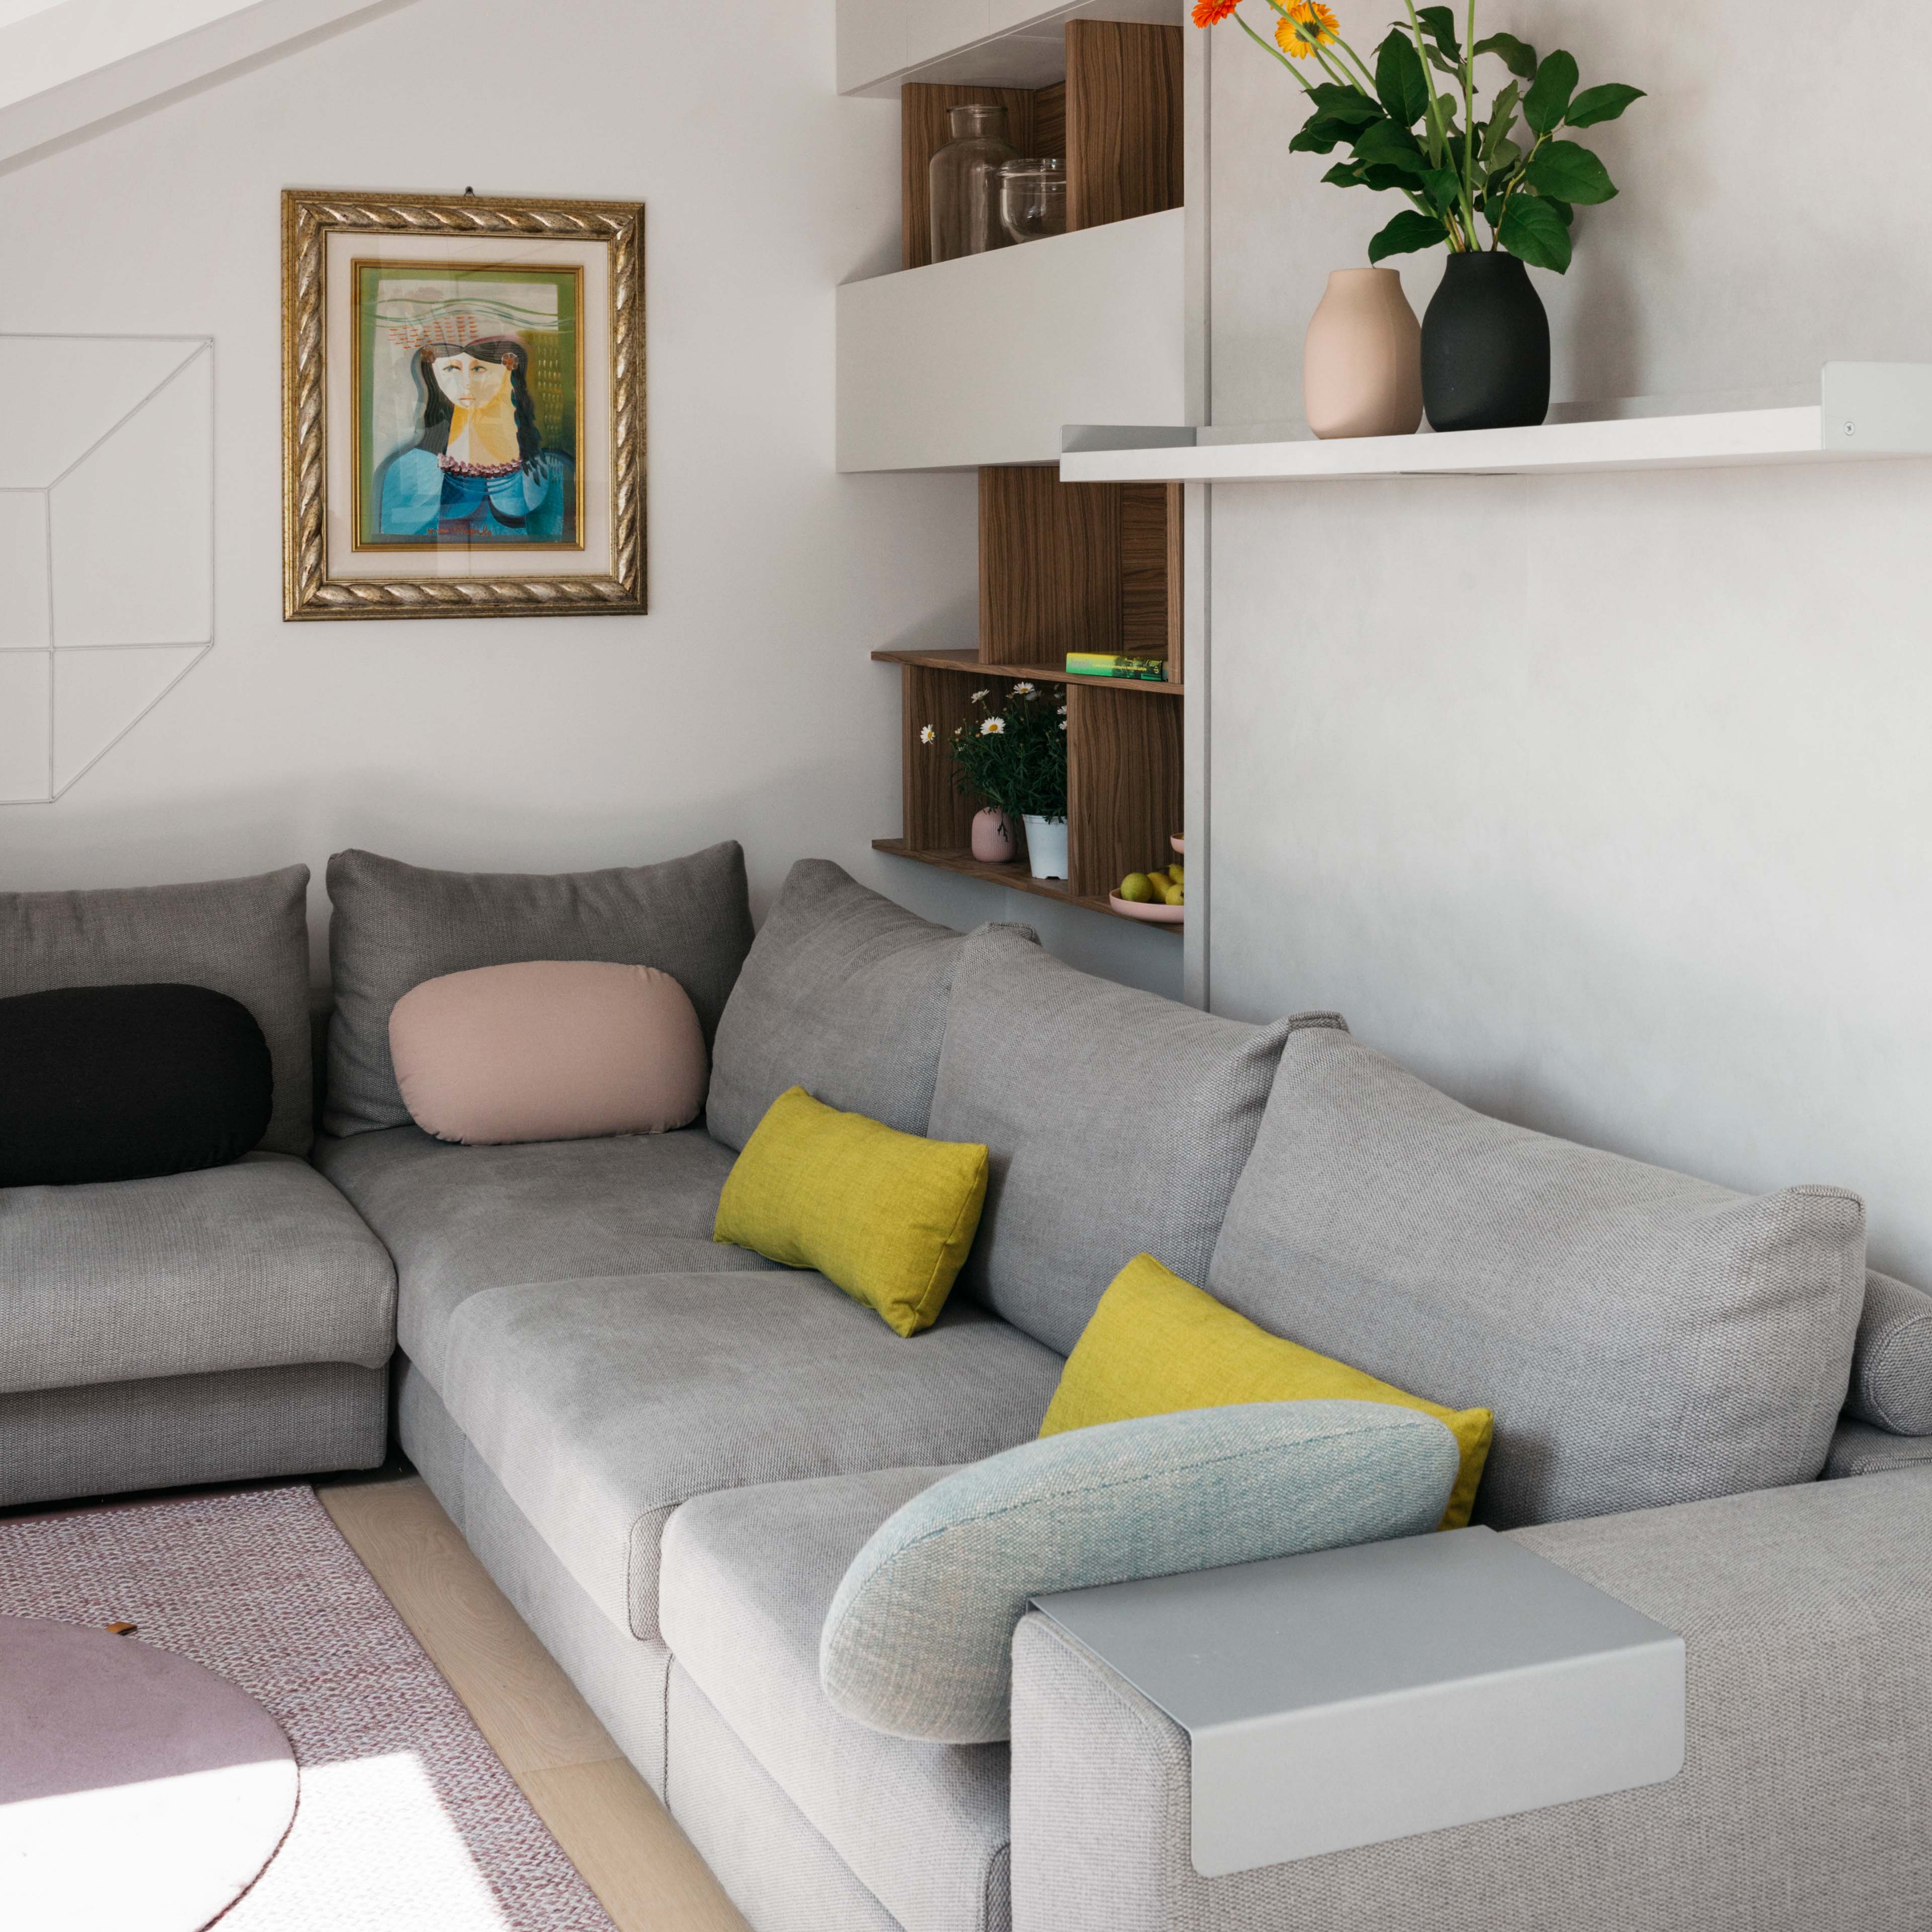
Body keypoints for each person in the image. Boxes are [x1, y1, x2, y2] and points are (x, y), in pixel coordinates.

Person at [377, 335, 573, 542]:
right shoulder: (408, 467)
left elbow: (556, 547)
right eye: (452, 369)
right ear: (434, 373)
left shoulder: (548, 468)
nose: (466, 384)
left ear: (508, 369)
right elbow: (395, 548)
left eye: (478, 370)